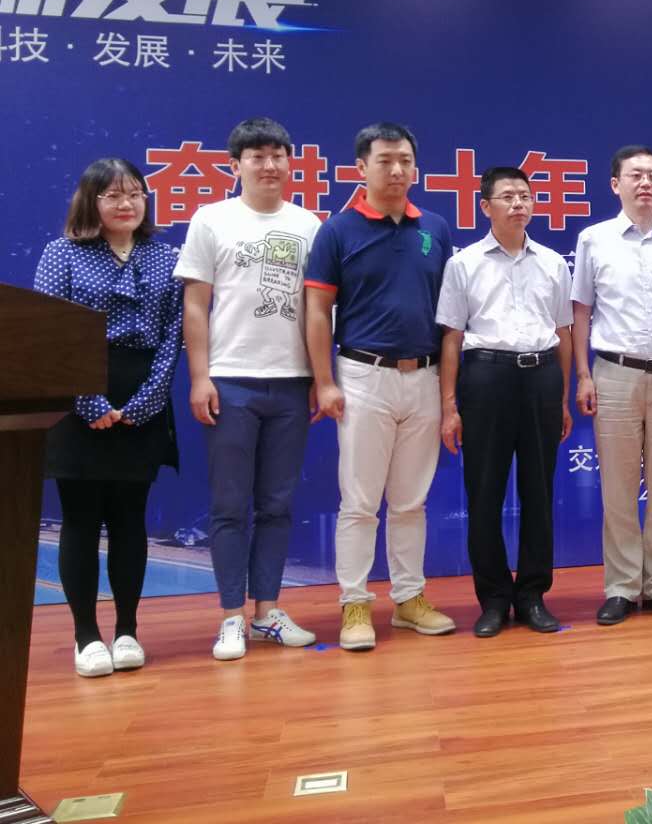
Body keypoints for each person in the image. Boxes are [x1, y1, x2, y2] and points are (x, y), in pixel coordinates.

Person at [304, 122, 456, 651]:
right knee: (360, 501)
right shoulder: (337, 231)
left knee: (411, 501)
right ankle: (354, 603)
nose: (396, 170)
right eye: (385, 160)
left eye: (405, 161)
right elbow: (317, 311)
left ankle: (409, 599)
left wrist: (449, 392)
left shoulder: (434, 228)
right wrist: (325, 381)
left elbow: (450, 315)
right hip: (362, 376)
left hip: (425, 377)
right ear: (360, 168)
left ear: (416, 168)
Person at [176, 118, 321, 661]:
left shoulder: (308, 225)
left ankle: (268, 612)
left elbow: (318, 309)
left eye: (278, 155)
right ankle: (231, 617)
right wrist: (200, 376)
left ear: (290, 162)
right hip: (230, 381)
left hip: (291, 383)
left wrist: (319, 377)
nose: (269, 165)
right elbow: (196, 304)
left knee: (278, 506)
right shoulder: (211, 219)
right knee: (230, 506)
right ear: (235, 165)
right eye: (257, 156)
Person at [34, 159, 182, 677]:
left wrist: (147, 402)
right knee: (80, 518)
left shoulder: (166, 257)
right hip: (78, 393)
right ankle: (85, 636)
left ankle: (127, 631)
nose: (127, 204)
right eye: (114, 195)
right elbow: (51, 332)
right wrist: (89, 401)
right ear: (90, 201)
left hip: (142, 394)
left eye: (135, 194)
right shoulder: (62, 254)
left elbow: (173, 335)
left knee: (129, 519)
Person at [437, 166, 574, 637]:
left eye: (525, 196)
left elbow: (563, 332)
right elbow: (452, 338)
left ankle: (533, 595)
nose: (519, 204)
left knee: (539, 493)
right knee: (485, 493)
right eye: (508, 197)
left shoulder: (553, 263)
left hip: (542, 378)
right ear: (486, 206)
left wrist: (562, 397)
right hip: (486, 378)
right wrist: (449, 405)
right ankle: (494, 599)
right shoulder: (464, 264)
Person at [572, 146, 652, 627]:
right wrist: (583, 375)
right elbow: (581, 310)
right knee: (619, 488)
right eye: (635, 175)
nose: (645, 183)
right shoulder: (594, 240)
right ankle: (623, 587)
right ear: (615, 184)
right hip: (614, 374)